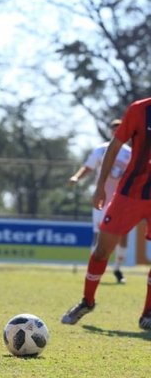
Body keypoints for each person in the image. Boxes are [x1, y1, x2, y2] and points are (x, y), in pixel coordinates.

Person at [61, 98, 151, 330]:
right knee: (102, 250)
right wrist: (100, 186)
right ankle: (87, 301)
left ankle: (148, 314)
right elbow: (114, 146)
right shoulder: (140, 109)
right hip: (129, 194)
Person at [67, 119, 131, 283]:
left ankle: (117, 269)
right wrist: (76, 177)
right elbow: (88, 167)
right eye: (114, 128)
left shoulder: (129, 153)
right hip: (102, 199)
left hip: (121, 201)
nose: (117, 130)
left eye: (120, 128)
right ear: (110, 131)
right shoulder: (101, 149)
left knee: (122, 236)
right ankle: (92, 270)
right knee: (98, 235)